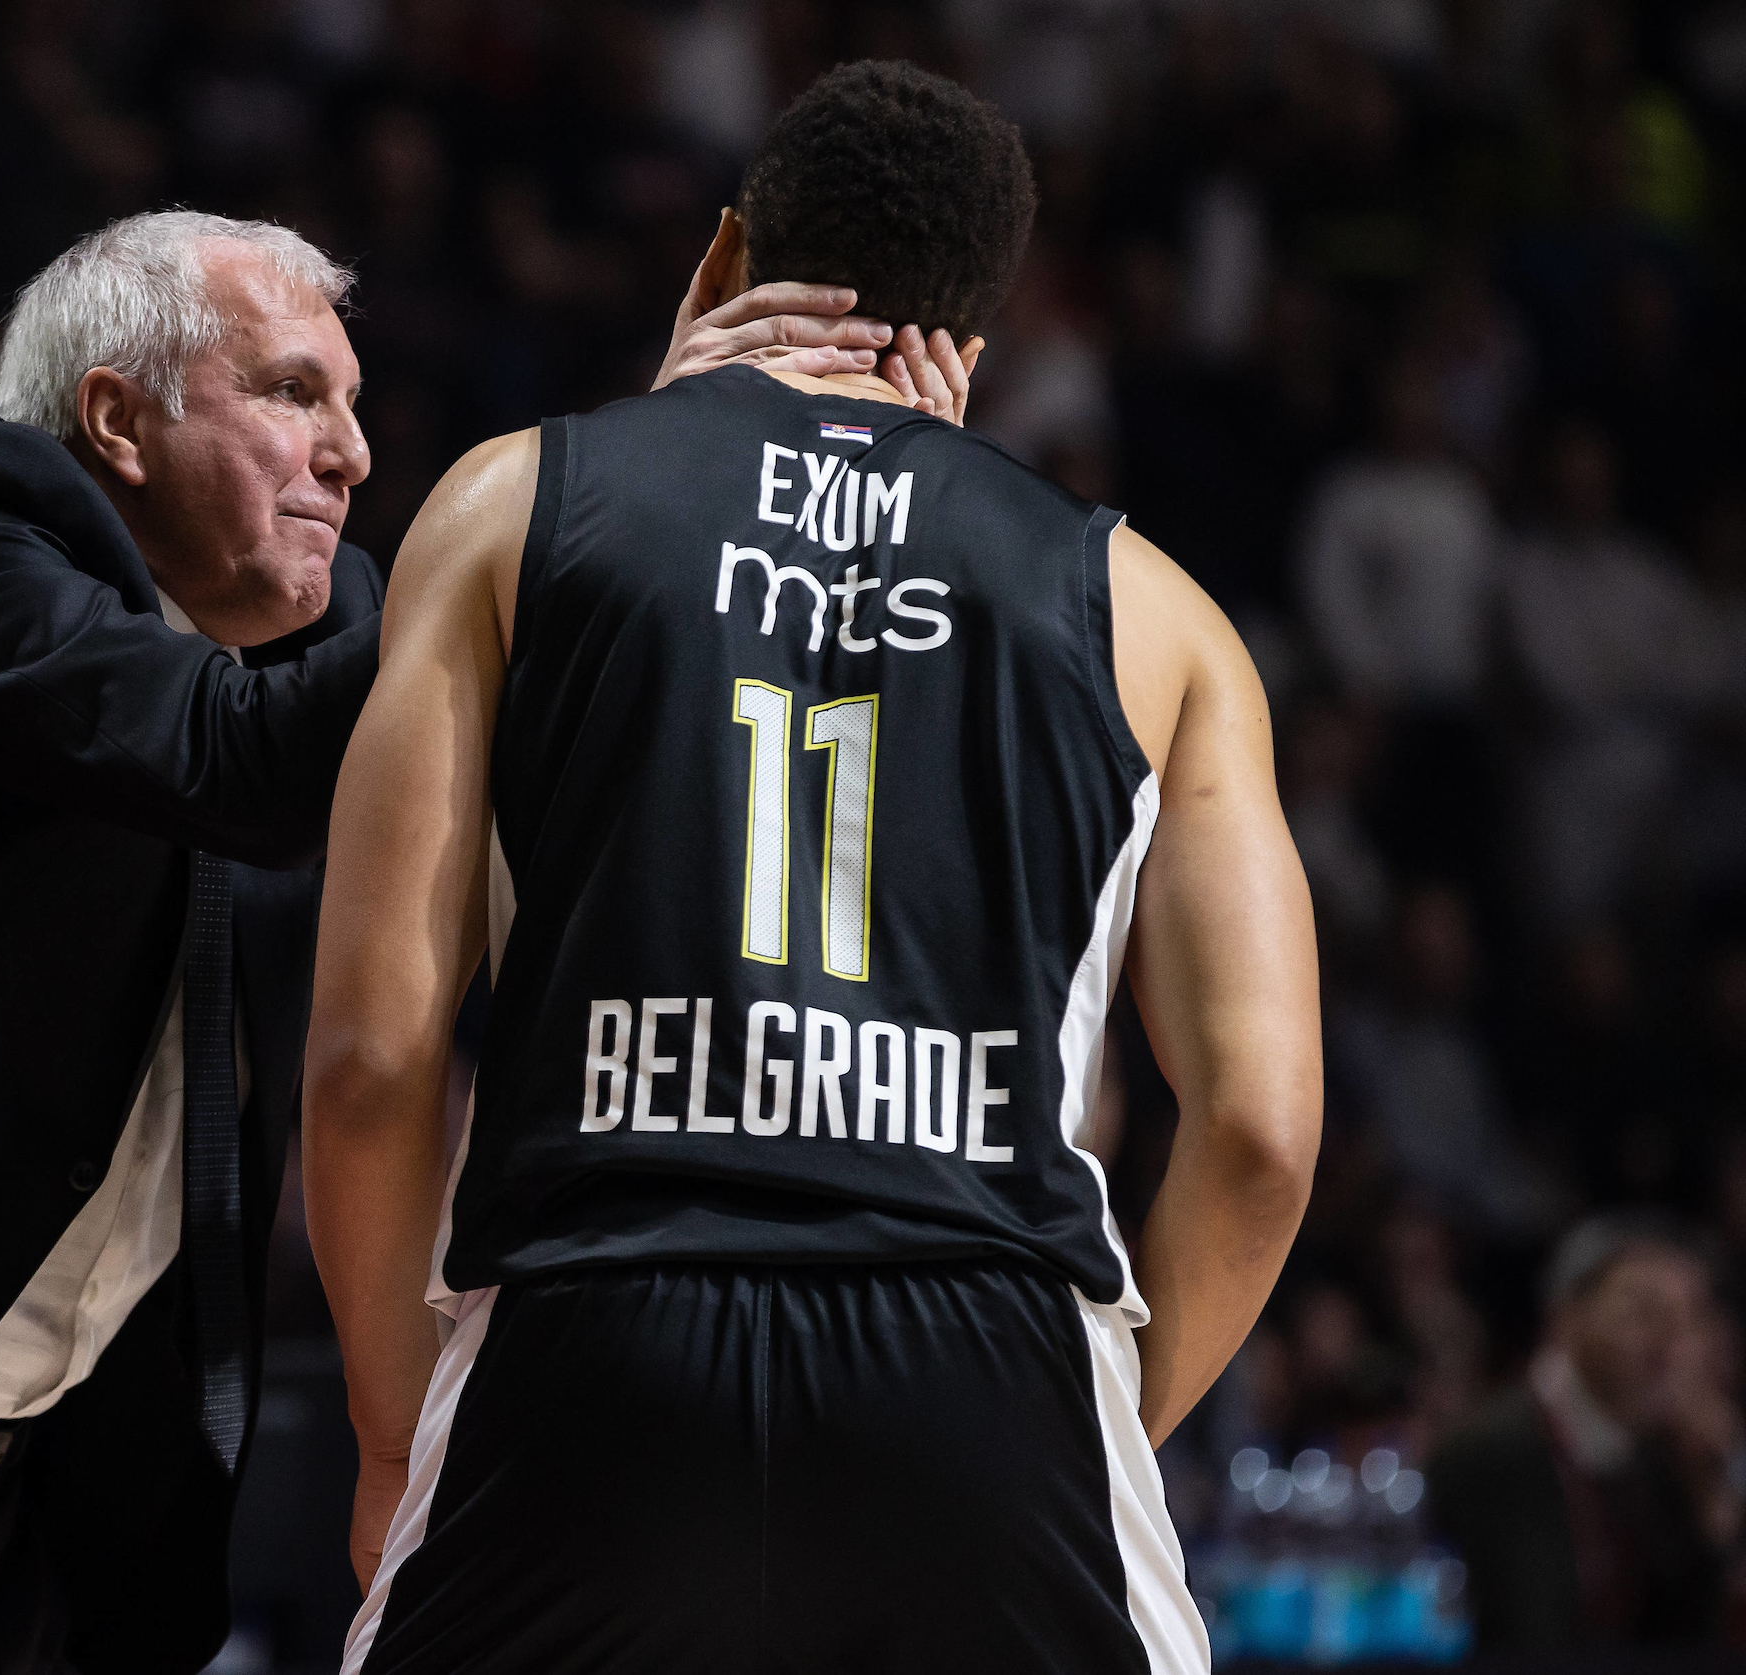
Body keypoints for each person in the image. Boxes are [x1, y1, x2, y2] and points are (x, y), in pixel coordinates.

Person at [0, 208, 889, 1674]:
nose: (354, 453)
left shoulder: (205, 666)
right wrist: (567, 502)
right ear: (115, 418)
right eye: (291, 391)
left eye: (355, 403)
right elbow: (246, 767)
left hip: (3, 1517)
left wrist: (651, 493)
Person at [305, 62, 1323, 1674]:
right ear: (980, 346)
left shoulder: (516, 503)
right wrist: (1092, 1414)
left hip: (593, 1336)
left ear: (717, 262)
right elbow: (1262, 1134)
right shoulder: (1162, 613)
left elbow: (371, 1060)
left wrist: (388, 1435)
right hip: (984, 1333)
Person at [1429, 1213, 1743, 1652]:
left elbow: (1687, 1640)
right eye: (1643, 1313)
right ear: (1564, 1316)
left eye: (1689, 1316)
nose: (1672, 1343)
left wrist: (1707, 1498)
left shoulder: (1660, 1459)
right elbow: (1527, 1643)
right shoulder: (1494, 1452)